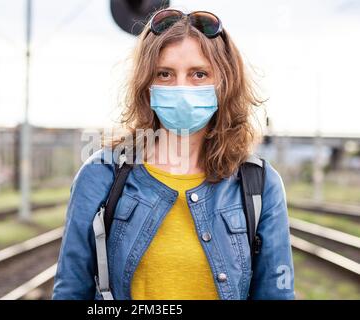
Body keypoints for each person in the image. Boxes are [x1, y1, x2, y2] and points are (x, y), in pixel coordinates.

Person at [52, 8, 295, 300]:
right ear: (147, 85)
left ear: (225, 83)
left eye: (199, 74)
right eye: (165, 74)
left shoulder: (259, 184)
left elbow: (276, 294)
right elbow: (70, 291)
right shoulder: (100, 175)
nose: (181, 88)